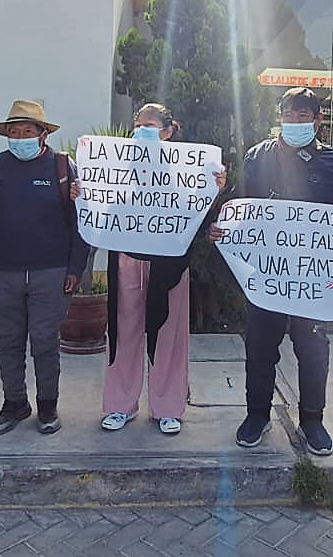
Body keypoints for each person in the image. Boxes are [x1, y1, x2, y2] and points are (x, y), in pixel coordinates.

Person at [212, 87, 333, 456]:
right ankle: (257, 415)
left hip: (313, 279)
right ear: (280, 117)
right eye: (289, 115)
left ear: (318, 121)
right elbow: (243, 202)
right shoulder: (259, 156)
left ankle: (312, 420)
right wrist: (222, 223)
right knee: (259, 346)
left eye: (303, 116)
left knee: (313, 348)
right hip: (269, 275)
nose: (295, 122)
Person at [98, 104, 225, 436]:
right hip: (127, 257)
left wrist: (215, 189)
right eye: (137, 124)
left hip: (169, 263)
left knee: (169, 335)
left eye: (150, 125)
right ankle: (119, 405)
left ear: (168, 131)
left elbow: (198, 211)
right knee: (123, 332)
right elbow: (103, 199)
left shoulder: (189, 166)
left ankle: (168, 407)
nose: (141, 130)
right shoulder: (117, 163)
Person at [0, 100, 89, 436]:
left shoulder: (64, 169)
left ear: (42, 134)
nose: (19, 136)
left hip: (50, 272)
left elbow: (82, 223)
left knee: (44, 341)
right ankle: (14, 403)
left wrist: (75, 268)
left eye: (27, 131)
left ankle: (48, 405)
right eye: (13, 131)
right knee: (7, 340)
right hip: (1, 273)